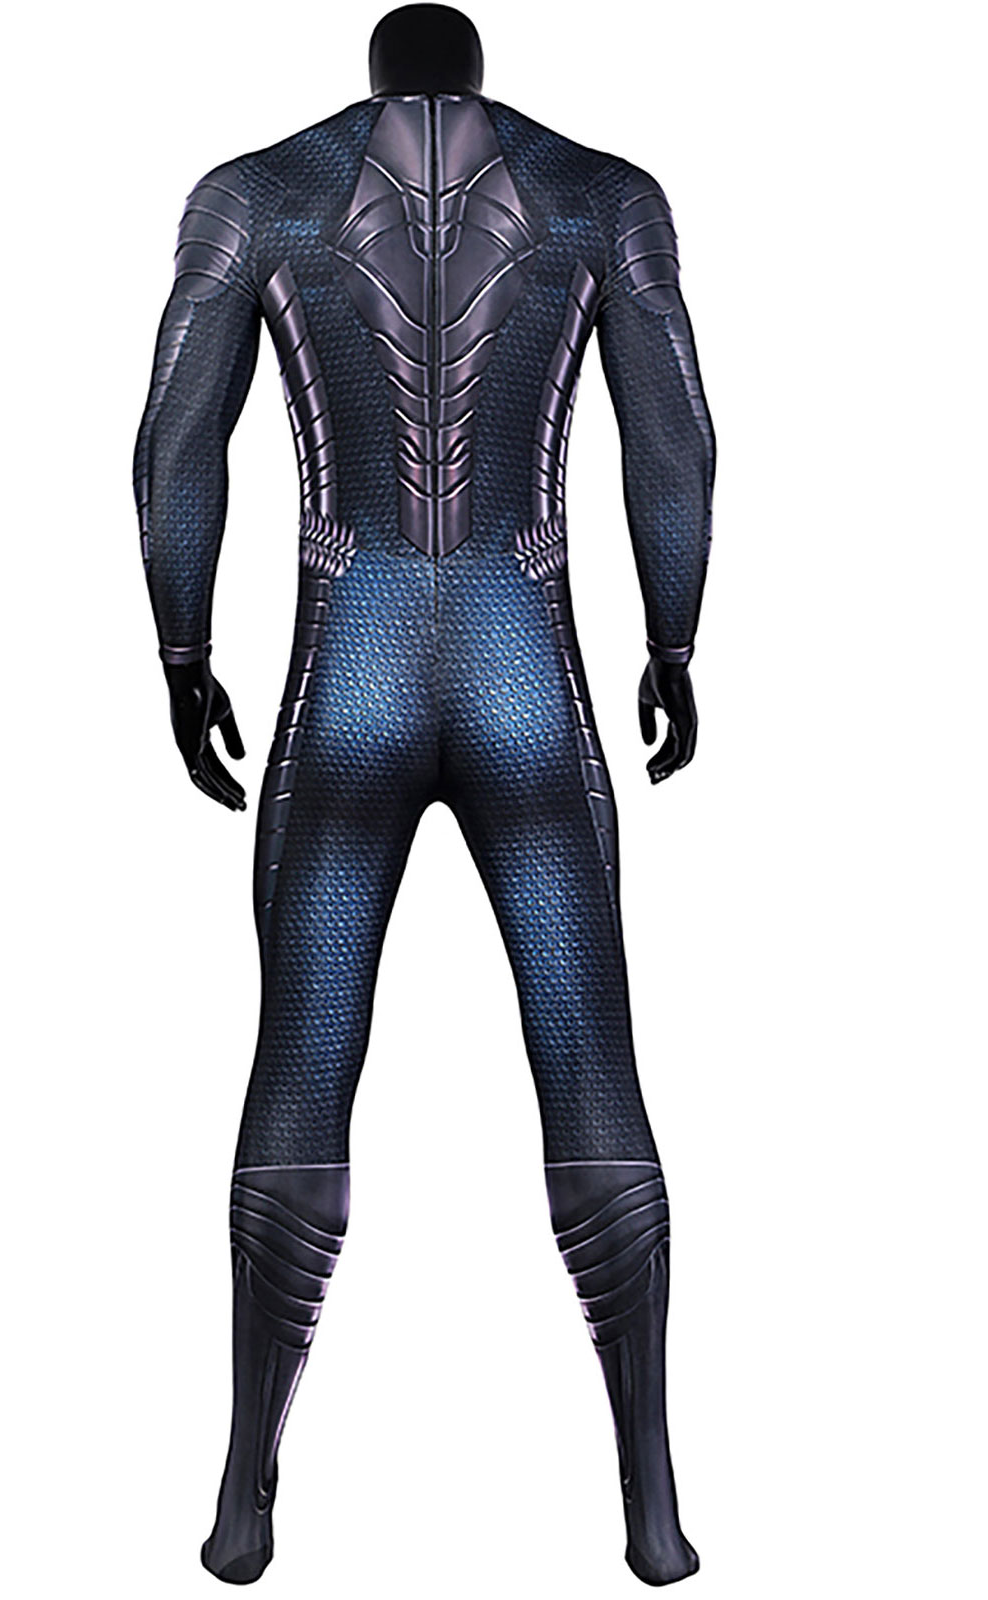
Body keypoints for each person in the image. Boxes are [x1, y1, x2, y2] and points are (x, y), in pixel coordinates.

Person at [132, 4, 716, 1584]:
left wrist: (182, 652)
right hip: (530, 668)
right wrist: (676, 641)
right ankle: (654, 1509)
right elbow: (677, 442)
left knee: (300, 1062)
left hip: (351, 671)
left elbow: (176, 443)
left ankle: (243, 1498)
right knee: (592, 1067)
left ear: (376, 72)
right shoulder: (602, 196)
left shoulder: (258, 195)